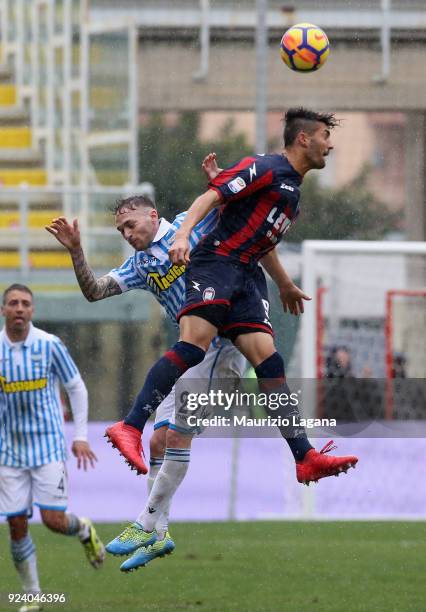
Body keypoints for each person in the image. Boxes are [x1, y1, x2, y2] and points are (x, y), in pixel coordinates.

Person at [100, 108, 359, 571]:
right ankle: (136, 451)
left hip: (243, 281)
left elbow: (258, 238)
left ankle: (301, 456)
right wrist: (182, 235)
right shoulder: (265, 167)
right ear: (303, 139)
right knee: (174, 415)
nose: (330, 144)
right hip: (216, 266)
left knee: (269, 363)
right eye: (324, 136)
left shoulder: (291, 192)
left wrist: (281, 283)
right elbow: (209, 198)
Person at [45, 154, 313, 570]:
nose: (127, 234)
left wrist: (224, 189)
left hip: (226, 345)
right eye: (120, 231)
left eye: (130, 224)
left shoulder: (195, 222)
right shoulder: (139, 265)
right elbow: (95, 291)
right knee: (157, 440)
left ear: (153, 216)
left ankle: (146, 524)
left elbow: (250, 232)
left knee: (175, 439)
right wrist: (77, 252)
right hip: (190, 355)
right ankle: (160, 533)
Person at [0, 284, 105, 608]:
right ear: (3, 310)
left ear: (32, 311)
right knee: (16, 523)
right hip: (9, 450)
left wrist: (81, 436)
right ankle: (33, 596)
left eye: (26, 304)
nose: (20, 308)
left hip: (47, 446)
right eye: (13, 303)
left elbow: (76, 387)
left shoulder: (50, 345)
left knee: (53, 521)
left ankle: (83, 528)